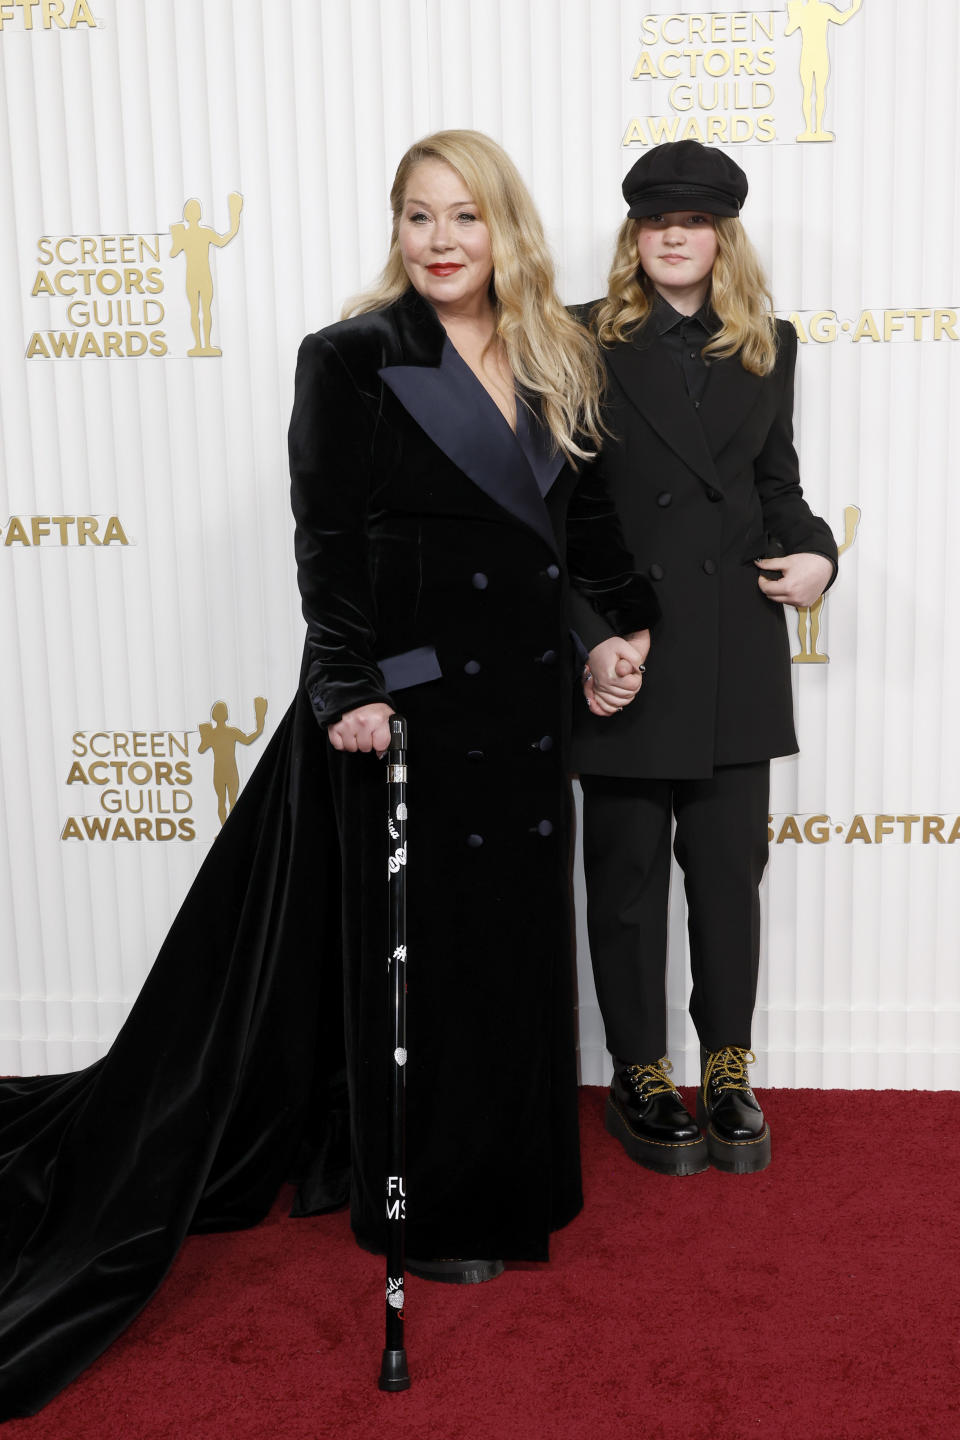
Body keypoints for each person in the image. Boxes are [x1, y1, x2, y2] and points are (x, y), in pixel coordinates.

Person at [0, 129, 655, 1417]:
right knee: (425, 953)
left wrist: (622, 629)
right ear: (398, 231)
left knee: (514, 944)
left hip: (522, 709)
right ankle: (425, 1196)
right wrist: (348, 687)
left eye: (465, 216)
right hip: (405, 708)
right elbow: (330, 541)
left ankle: (521, 1183)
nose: (441, 240)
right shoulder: (352, 358)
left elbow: (587, 530)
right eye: (419, 217)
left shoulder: (561, 354)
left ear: (505, 227)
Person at [575, 140, 838, 1177]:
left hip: (735, 645)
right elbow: (565, 509)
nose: (675, 234)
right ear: (635, 235)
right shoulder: (577, 339)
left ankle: (728, 1066)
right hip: (629, 647)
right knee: (628, 878)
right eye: (655, 218)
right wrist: (594, 636)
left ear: (724, 234)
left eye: (695, 219)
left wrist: (818, 551)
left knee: (729, 875)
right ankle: (641, 1069)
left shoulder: (767, 341)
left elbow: (778, 484)